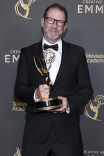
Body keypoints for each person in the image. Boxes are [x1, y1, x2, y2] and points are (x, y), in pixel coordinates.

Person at [14, 3, 93, 156]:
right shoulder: (27, 53)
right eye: (51, 20)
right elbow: (19, 89)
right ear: (43, 21)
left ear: (65, 26)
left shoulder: (77, 52)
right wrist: (35, 94)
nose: (54, 25)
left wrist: (69, 103)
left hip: (68, 138)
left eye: (59, 22)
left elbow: (86, 89)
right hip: (35, 137)